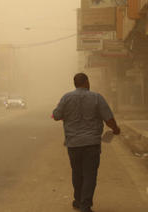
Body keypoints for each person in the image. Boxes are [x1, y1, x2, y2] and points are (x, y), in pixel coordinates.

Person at [52, 73, 120, 212]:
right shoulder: (96, 97)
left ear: (75, 83)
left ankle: (78, 200)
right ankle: (85, 205)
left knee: (77, 173)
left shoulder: (66, 98)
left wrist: (61, 114)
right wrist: (116, 129)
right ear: (87, 82)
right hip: (91, 144)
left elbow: (56, 115)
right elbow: (108, 119)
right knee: (90, 174)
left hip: (73, 144)